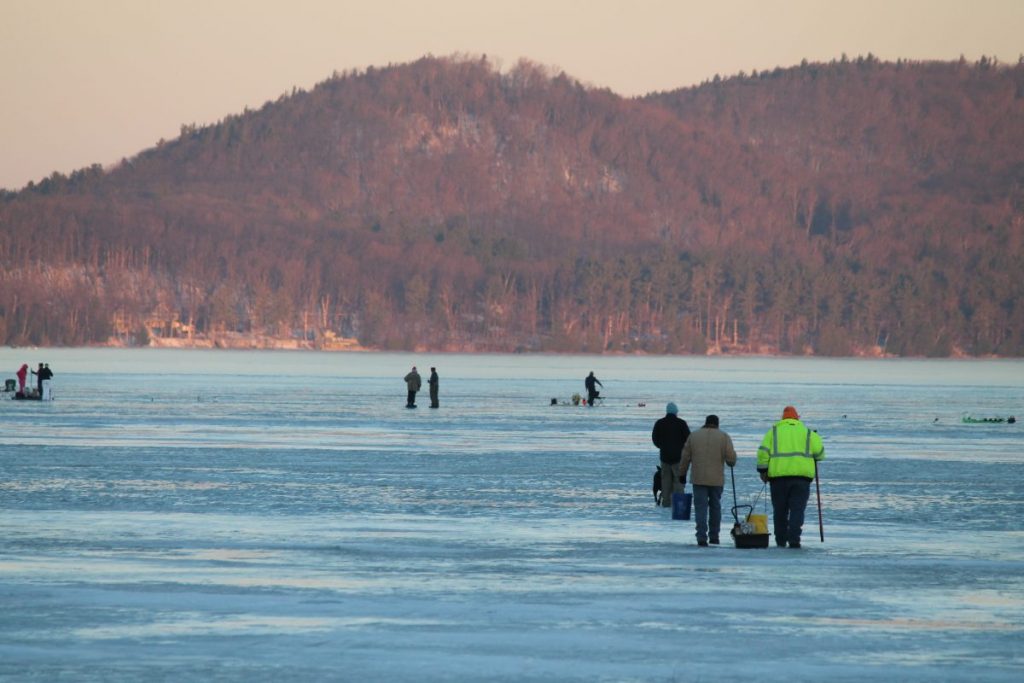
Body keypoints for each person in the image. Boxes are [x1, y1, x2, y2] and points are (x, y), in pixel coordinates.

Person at [756, 405, 825, 549]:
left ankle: (780, 541)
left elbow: (763, 452)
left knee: (780, 511)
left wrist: (763, 471)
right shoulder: (808, 433)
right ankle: (794, 540)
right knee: (797, 510)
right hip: (801, 479)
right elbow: (820, 454)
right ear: (796, 417)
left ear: (783, 418)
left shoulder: (774, 431)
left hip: (778, 478)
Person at [679, 415, 737, 546]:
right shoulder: (724, 437)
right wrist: (733, 459)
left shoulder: (694, 436)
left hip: (698, 478)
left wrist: (682, 473)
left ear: (705, 423)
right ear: (717, 424)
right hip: (716, 480)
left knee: (701, 508)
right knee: (715, 507)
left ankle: (701, 537)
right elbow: (731, 460)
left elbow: (685, 456)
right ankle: (714, 536)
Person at [651, 402, 690, 508]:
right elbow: (688, 439)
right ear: (676, 412)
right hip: (679, 458)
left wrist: (662, 447)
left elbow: (655, 439)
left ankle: (666, 504)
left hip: (664, 457)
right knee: (678, 483)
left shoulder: (659, 423)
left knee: (665, 482)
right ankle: (678, 505)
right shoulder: (681, 423)